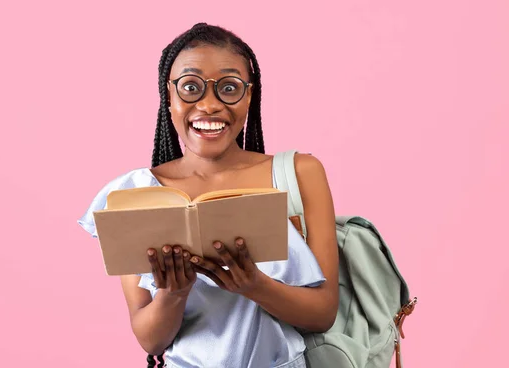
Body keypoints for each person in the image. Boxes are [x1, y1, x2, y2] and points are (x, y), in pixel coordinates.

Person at [77, 23, 339, 368]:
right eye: (191, 88)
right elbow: (150, 340)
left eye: (229, 88)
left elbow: (323, 314)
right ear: (168, 97)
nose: (210, 105)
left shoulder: (298, 173)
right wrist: (174, 292)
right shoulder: (133, 192)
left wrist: (254, 285)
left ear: (249, 96)